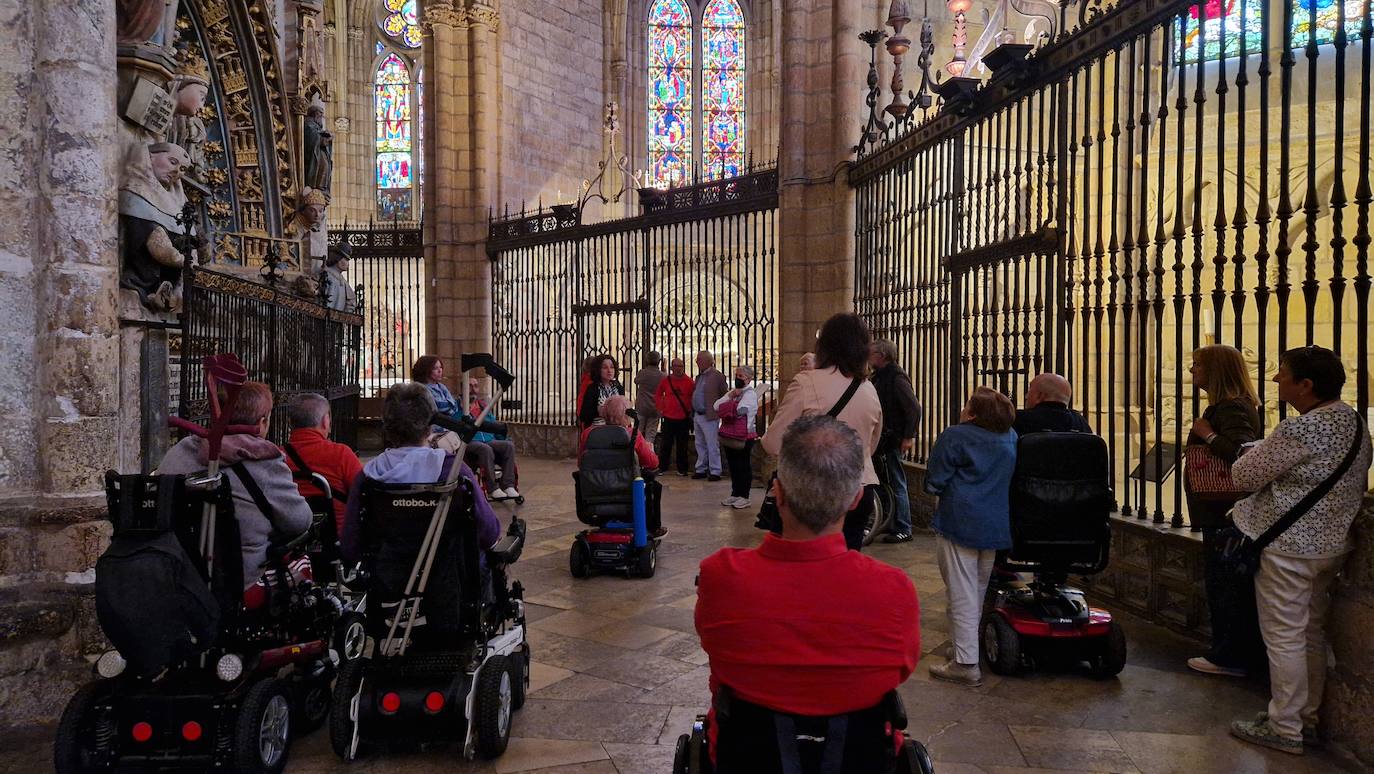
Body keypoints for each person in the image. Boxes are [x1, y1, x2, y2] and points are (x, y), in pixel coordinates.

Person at [696, 415, 921, 765]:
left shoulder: (721, 576)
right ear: (856, 499)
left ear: (778, 493)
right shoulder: (894, 590)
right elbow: (900, 669)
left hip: (747, 756)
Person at [1228, 346, 1373, 756]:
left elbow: (1244, 475)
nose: (1277, 380)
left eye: (1284, 374)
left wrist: (1251, 451)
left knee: (1284, 637)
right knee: (1310, 633)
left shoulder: (1302, 428)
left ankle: (1285, 727)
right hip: (1329, 545)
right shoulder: (1352, 421)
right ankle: (1304, 718)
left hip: (1289, 547)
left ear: (1306, 385)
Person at [158, 381, 313, 602]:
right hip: (238, 584)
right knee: (302, 564)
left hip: (179, 577)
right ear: (262, 422)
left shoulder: (180, 452)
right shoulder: (265, 462)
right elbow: (299, 521)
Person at [339, 382, 502, 566]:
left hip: (387, 580)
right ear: (430, 425)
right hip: (449, 579)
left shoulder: (369, 475)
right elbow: (490, 533)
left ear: (387, 425)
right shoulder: (452, 469)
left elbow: (350, 547)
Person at [763, 313, 884, 550]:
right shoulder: (868, 388)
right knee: (845, 568)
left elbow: (773, 442)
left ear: (824, 344)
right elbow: (872, 443)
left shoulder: (807, 382)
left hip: (812, 491)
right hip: (859, 487)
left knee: (805, 572)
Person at [924, 386, 1018, 687]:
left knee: (960, 591)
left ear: (974, 413)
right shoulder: (1011, 437)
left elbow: (935, 480)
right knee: (976, 590)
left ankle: (965, 664)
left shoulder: (956, 435)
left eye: (967, 405)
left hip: (960, 520)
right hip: (994, 523)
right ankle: (964, 646)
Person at [1182, 345, 1264, 678]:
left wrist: (1208, 434)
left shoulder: (1232, 408)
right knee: (1222, 582)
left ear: (1216, 370)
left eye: (1198, 364)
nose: (1192, 370)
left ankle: (1230, 656)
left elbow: (1244, 453)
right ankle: (1228, 651)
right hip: (1218, 509)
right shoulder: (1229, 405)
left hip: (1224, 508)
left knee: (1226, 584)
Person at [413, 356, 521, 499]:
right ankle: (492, 488)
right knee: (485, 449)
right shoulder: (450, 402)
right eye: (435, 368)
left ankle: (508, 485)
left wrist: (503, 435)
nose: (440, 371)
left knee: (508, 446)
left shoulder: (481, 405)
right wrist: (451, 406)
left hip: (485, 439)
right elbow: (443, 407)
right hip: (458, 438)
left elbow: (447, 406)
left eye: (475, 386)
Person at [577, 395, 666, 537]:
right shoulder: (632, 435)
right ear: (627, 415)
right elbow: (653, 462)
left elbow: (581, 462)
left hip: (595, 491)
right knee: (653, 484)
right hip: (626, 491)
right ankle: (653, 527)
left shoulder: (589, 434)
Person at [280, 392, 363, 536]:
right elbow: (363, 493)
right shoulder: (341, 454)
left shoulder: (278, 457)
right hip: (337, 541)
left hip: (292, 543)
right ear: (325, 421)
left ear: (291, 423)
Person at [869, 340, 922, 543]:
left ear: (882, 355)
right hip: (884, 438)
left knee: (897, 482)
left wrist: (908, 436)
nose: (868, 355)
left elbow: (913, 408)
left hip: (894, 438)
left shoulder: (896, 376)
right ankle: (889, 521)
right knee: (886, 482)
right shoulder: (880, 376)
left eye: (872, 352)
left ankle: (904, 527)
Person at [715, 365, 760, 509]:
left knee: (743, 465)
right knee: (733, 465)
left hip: (744, 435)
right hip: (730, 433)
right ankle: (735, 493)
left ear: (748, 379)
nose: (737, 379)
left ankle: (744, 496)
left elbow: (741, 410)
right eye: (736, 375)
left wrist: (728, 408)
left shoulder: (750, 394)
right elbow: (716, 406)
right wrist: (731, 397)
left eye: (741, 376)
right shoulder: (734, 393)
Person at [1012, 373, 1093, 436]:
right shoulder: (1080, 423)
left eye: (1030, 391)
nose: (1026, 396)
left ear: (1040, 395)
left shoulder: (1018, 420)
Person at [654, 357, 696, 476]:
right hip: (668, 417)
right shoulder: (666, 380)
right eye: (676, 366)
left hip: (683, 418)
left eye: (681, 366)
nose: (679, 369)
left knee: (682, 445)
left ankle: (682, 469)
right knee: (666, 444)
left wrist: (691, 411)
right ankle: (662, 467)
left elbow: (694, 397)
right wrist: (661, 408)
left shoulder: (689, 382)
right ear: (672, 368)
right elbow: (658, 394)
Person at [691, 350, 729, 481]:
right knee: (699, 443)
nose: (696, 362)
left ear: (708, 361)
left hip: (710, 415)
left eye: (699, 359)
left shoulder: (717, 376)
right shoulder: (699, 376)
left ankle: (715, 470)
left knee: (712, 444)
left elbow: (724, 394)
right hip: (698, 414)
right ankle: (701, 468)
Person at [579, 354, 625, 429]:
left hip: (617, 429)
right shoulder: (592, 388)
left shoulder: (618, 386)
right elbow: (583, 415)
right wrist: (601, 411)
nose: (609, 370)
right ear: (598, 369)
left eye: (612, 367)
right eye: (604, 367)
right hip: (597, 429)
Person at [634, 351, 665, 451]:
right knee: (650, 435)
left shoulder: (642, 373)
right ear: (659, 361)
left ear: (646, 360)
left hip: (642, 407)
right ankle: (648, 456)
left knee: (638, 432)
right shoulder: (662, 375)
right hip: (655, 408)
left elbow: (635, 381)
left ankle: (636, 455)